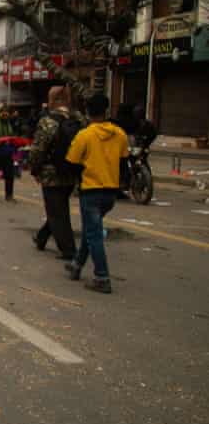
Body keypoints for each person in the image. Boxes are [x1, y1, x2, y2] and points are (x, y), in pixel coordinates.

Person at [65, 94, 129, 294]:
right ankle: (77, 264)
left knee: (94, 234)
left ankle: (102, 277)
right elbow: (123, 163)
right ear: (106, 111)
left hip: (91, 190)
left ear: (87, 112)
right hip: (110, 193)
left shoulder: (85, 135)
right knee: (91, 230)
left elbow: (71, 163)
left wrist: (79, 181)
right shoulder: (120, 134)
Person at [29, 86, 85, 261]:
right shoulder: (79, 120)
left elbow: (38, 150)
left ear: (52, 100)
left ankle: (68, 250)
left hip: (51, 173)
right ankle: (42, 237)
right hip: (71, 172)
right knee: (58, 208)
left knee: (56, 211)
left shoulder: (48, 122)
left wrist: (34, 169)